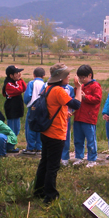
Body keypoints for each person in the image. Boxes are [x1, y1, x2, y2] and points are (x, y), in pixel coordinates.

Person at [33, 64, 82, 204]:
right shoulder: (59, 91)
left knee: (44, 162)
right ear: (60, 77)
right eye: (67, 75)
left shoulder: (49, 88)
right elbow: (77, 104)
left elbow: (54, 106)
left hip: (46, 132)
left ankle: (38, 190)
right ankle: (50, 196)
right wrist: (79, 88)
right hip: (56, 133)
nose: (69, 77)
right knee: (53, 166)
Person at [72, 65, 102, 168]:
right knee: (78, 139)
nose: (81, 79)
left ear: (90, 75)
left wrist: (85, 97)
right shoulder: (81, 86)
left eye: (83, 77)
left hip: (89, 118)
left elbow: (97, 99)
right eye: (79, 77)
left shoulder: (95, 86)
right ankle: (79, 157)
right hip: (78, 117)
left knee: (90, 140)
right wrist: (76, 87)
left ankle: (92, 159)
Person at [2, 65, 27, 153]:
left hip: (17, 108)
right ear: (11, 75)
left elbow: (24, 87)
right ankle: (9, 146)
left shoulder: (16, 81)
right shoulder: (9, 84)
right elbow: (19, 90)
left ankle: (12, 145)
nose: (19, 74)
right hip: (11, 108)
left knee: (17, 128)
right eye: (17, 73)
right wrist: (19, 80)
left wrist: (20, 79)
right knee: (11, 128)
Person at [23, 67, 47, 155]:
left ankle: (30, 147)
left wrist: (28, 103)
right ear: (44, 76)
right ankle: (39, 147)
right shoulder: (45, 84)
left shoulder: (31, 83)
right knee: (40, 127)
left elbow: (27, 96)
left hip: (33, 107)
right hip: (42, 108)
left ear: (34, 75)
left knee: (30, 127)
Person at [60, 81, 76, 166]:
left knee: (66, 137)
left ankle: (65, 157)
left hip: (66, 117)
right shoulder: (54, 87)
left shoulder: (70, 88)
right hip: (56, 117)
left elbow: (73, 103)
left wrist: (70, 112)